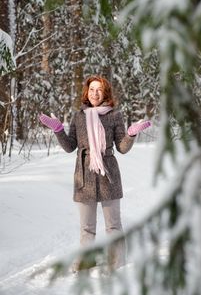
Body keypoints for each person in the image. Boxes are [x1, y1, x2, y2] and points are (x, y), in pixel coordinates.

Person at [39, 75, 151, 273]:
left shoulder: (115, 115)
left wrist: (131, 134)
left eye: (99, 90)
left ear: (105, 92)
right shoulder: (78, 116)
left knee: (113, 226)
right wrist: (58, 130)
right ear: (86, 92)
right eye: (91, 89)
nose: (95, 93)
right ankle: (86, 261)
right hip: (84, 174)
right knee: (86, 227)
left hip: (108, 173)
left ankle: (117, 265)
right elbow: (70, 146)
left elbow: (122, 148)